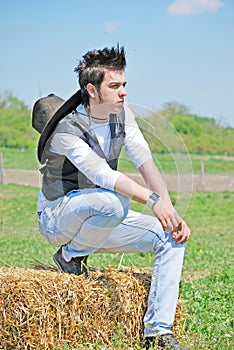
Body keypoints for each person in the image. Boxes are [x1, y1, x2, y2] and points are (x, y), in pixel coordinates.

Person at [35, 45, 191, 350]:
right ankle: (70, 257)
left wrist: (169, 209)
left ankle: (157, 331)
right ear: (92, 90)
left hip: (100, 219)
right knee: (114, 199)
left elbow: (144, 159)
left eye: (124, 85)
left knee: (171, 238)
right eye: (115, 86)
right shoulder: (67, 130)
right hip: (58, 218)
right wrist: (152, 200)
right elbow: (104, 176)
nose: (123, 93)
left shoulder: (123, 115)